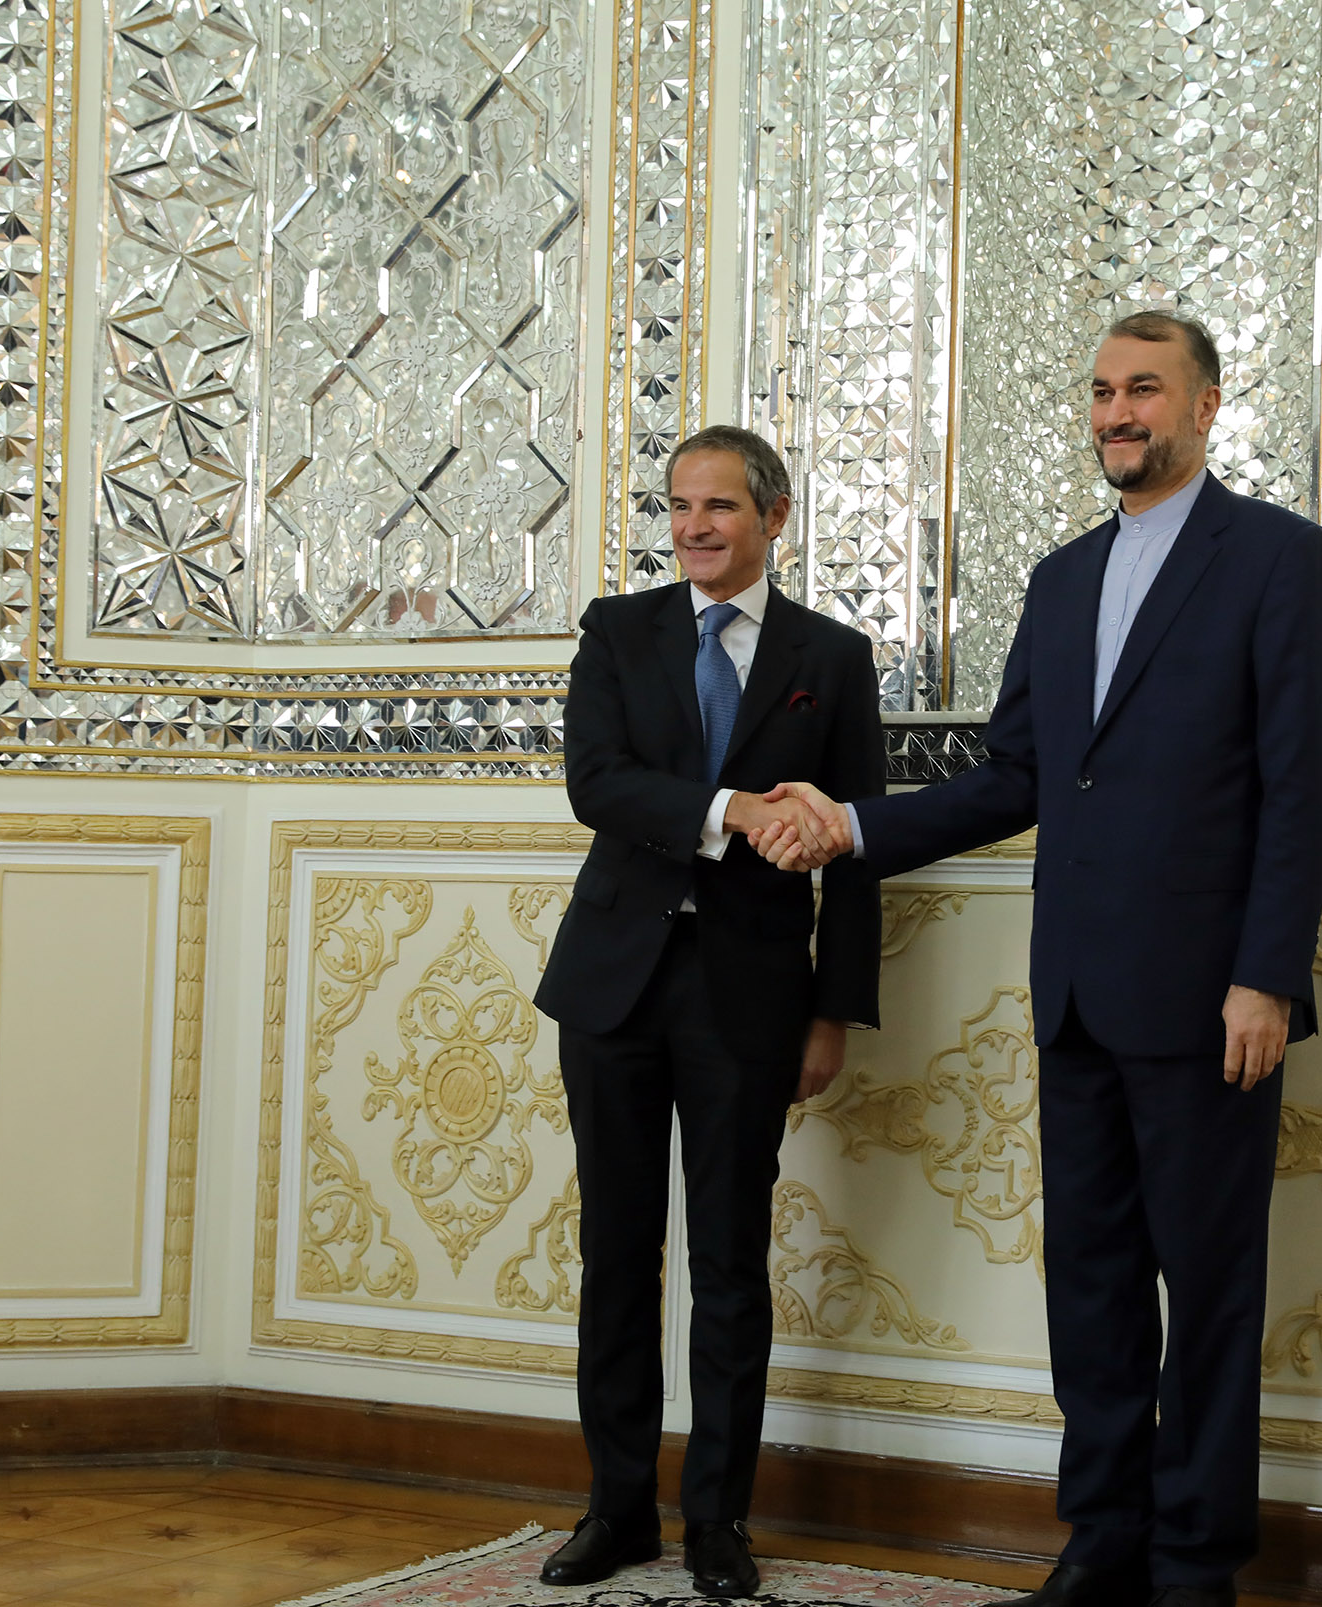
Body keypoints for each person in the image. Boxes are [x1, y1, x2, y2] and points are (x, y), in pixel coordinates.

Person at [751, 312, 1322, 1607]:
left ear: (1204, 405)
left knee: (1209, 1290)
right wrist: (851, 825)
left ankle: (1195, 1563)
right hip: (1074, 990)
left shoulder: (1279, 557)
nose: (1116, 412)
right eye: (1101, 391)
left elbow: (1301, 786)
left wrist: (1267, 973)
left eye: (1144, 388)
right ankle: (1103, 1537)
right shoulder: (1061, 577)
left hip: (1210, 999)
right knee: (1088, 1283)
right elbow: (1015, 775)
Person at [532, 425, 885, 1598]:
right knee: (615, 1253)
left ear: (772, 516)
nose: (692, 526)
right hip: (613, 988)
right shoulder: (616, 630)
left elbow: (858, 857)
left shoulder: (832, 657)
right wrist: (732, 808)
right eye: (678, 506)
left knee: (729, 1260)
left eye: (719, 506)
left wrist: (833, 1014)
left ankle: (717, 1522)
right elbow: (596, 782)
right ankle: (616, 1508)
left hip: (752, 996)